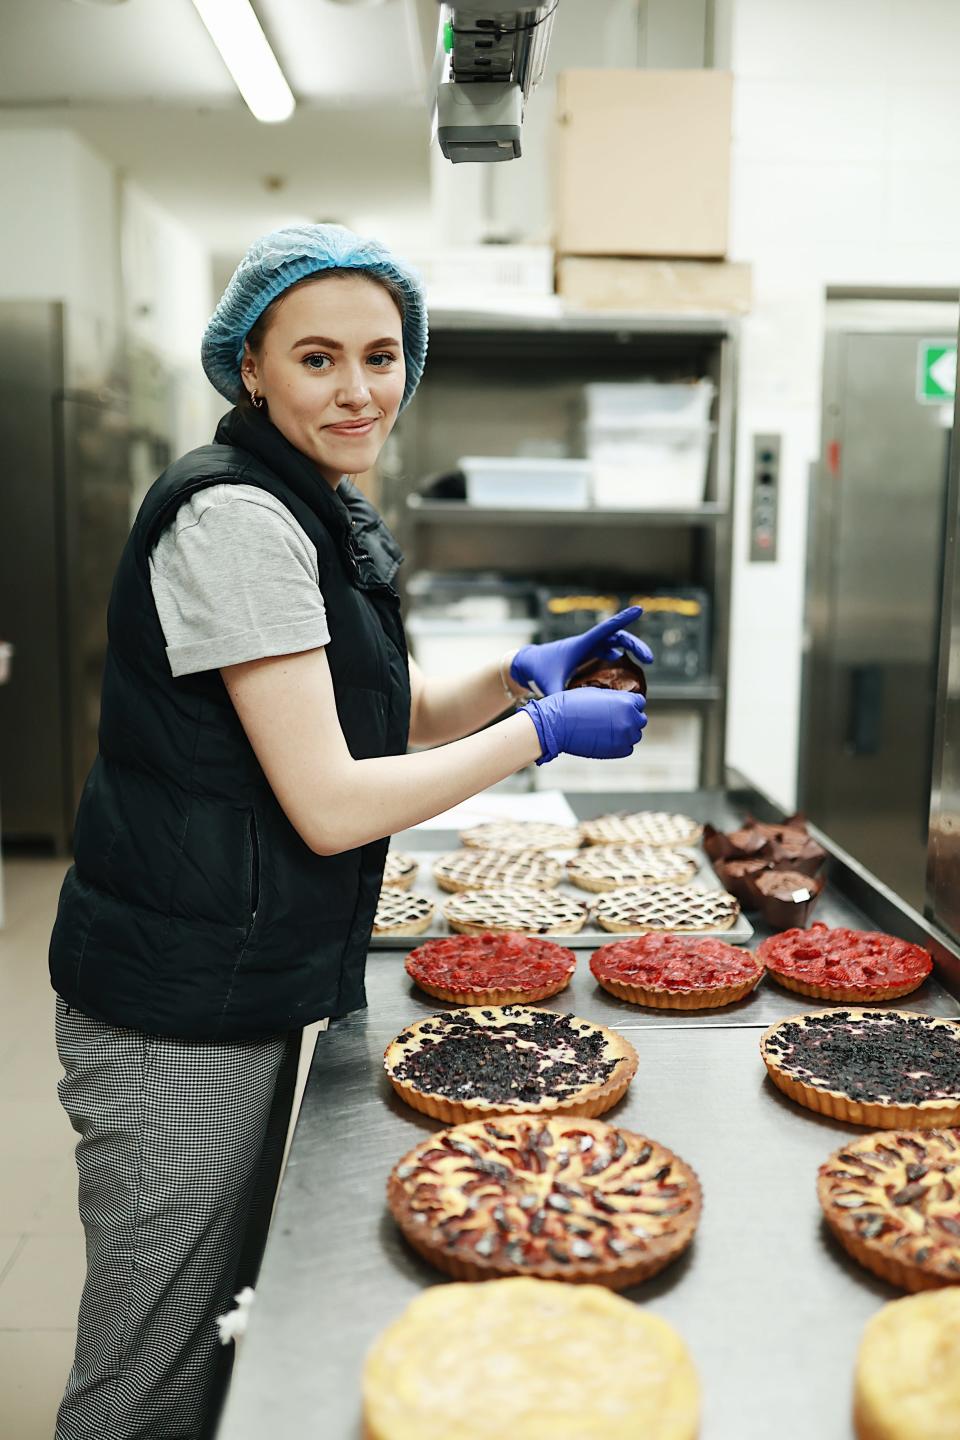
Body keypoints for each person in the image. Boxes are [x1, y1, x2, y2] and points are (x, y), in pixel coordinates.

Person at [48, 223, 652, 1440]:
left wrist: (519, 678)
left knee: (214, 1324)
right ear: (252, 369)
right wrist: (540, 738)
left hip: (239, 965)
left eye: (383, 356)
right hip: (174, 1005)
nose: (359, 387)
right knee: (146, 1366)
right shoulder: (236, 521)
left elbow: (396, 711)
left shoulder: (314, 502)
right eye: (317, 358)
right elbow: (328, 801)